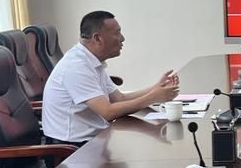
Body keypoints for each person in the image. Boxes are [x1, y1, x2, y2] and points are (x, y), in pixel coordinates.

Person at [42, 11, 180, 145]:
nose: (122, 38)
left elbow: (120, 99)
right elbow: (107, 112)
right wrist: (153, 97)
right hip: (72, 148)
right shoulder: (76, 67)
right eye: (117, 33)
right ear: (97, 38)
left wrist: (156, 88)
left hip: (94, 139)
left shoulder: (91, 60)